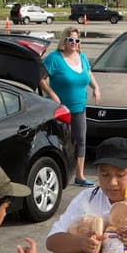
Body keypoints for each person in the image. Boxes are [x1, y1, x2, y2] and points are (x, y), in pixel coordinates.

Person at [40, 26, 101, 187]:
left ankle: (80, 175)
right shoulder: (54, 58)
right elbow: (41, 79)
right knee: (61, 142)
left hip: (79, 107)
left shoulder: (82, 57)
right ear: (64, 41)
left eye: (76, 40)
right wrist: (52, 94)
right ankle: (59, 174)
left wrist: (96, 87)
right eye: (70, 40)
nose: (74, 43)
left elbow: (88, 74)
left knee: (80, 140)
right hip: (60, 110)